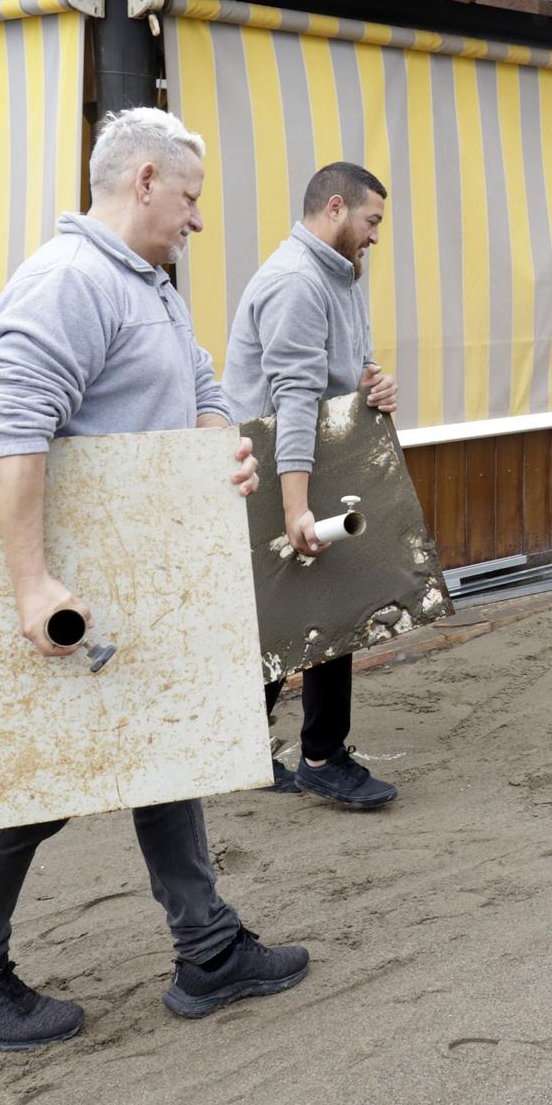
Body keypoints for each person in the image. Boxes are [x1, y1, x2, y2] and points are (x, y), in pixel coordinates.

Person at [0, 108, 309, 1053]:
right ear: (142, 180)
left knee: (163, 752)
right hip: (76, 591)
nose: (198, 218)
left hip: (143, 578)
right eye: (191, 197)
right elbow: (13, 434)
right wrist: (33, 584)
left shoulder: (150, 284)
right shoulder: (68, 282)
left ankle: (207, 950)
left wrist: (218, 442)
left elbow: (201, 382)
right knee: (38, 785)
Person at [223, 162, 400, 810]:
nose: (376, 235)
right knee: (324, 600)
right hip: (273, 466)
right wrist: (297, 508)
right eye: (371, 221)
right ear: (335, 208)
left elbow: (349, 367)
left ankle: (237, 744)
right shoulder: (299, 282)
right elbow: (294, 400)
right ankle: (321, 756)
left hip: (312, 461)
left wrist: (374, 383)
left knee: (293, 609)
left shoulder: (342, 275)